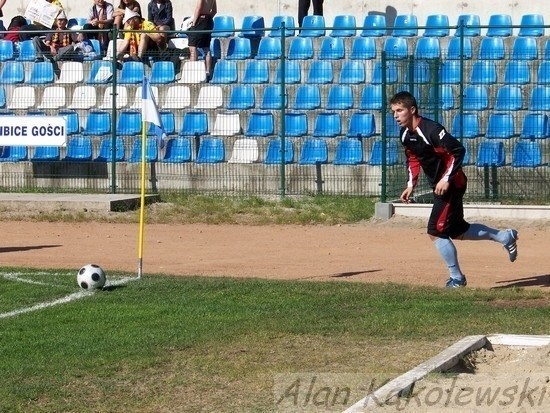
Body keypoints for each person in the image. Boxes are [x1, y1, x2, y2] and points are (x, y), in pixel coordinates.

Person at [389, 91, 519, 288]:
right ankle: (504, 236)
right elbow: (413, 158)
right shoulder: (406, 134)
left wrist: (446, 179)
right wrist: (410, 184)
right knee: (458, 230)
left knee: (435, 230)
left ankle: (457, 279)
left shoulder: (432, 130)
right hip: (441, 185)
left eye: (400, 110)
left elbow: (458, 151)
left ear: (412, 110)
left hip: (452, 184)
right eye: (393, 112)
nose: (396, 115)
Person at [186, 0, 216, 80]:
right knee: (206, 47)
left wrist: (193, 23)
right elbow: (214, 11)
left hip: (200, 20)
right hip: (208, 21)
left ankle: (193, 73)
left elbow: (198, 8)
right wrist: (208, 18)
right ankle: (208, 71)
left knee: (192, 47)